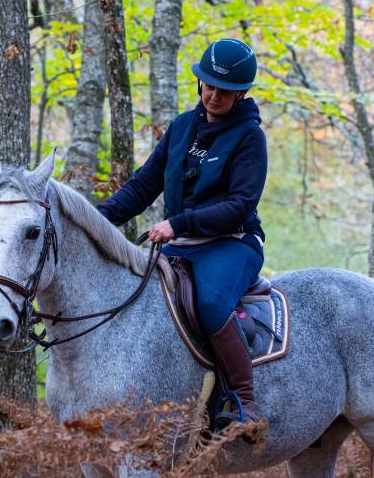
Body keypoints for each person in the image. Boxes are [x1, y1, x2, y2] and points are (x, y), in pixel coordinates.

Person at [96, 37, 267, 429]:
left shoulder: (250, 138)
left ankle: (244, 401)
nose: (213, 96)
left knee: (209, 305)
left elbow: (239, 205)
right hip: (182, 244)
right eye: (209, 85)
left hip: (232, 242)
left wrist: (178, 224)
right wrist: (94, 219)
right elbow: (142, 187)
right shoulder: (181, 128)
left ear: (241, 93)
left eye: (224, 91)